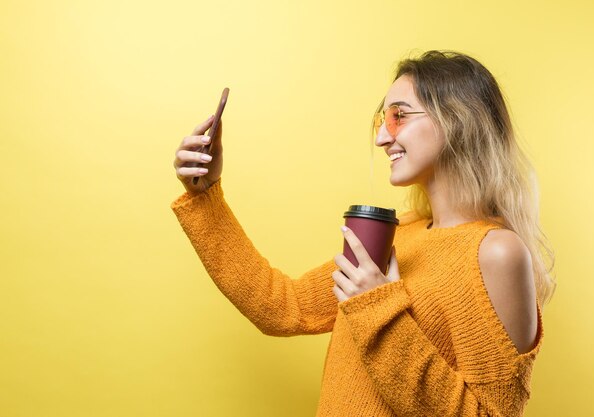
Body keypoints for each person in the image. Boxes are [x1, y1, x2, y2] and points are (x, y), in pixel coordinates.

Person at [170, 50, 556, 417]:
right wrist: (204, 195)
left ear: (458, 119)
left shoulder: (497, 253)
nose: (382, 139)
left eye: (399, 117)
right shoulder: (400, 232)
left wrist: (378, 307)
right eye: (381, 121)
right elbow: (282, 307)